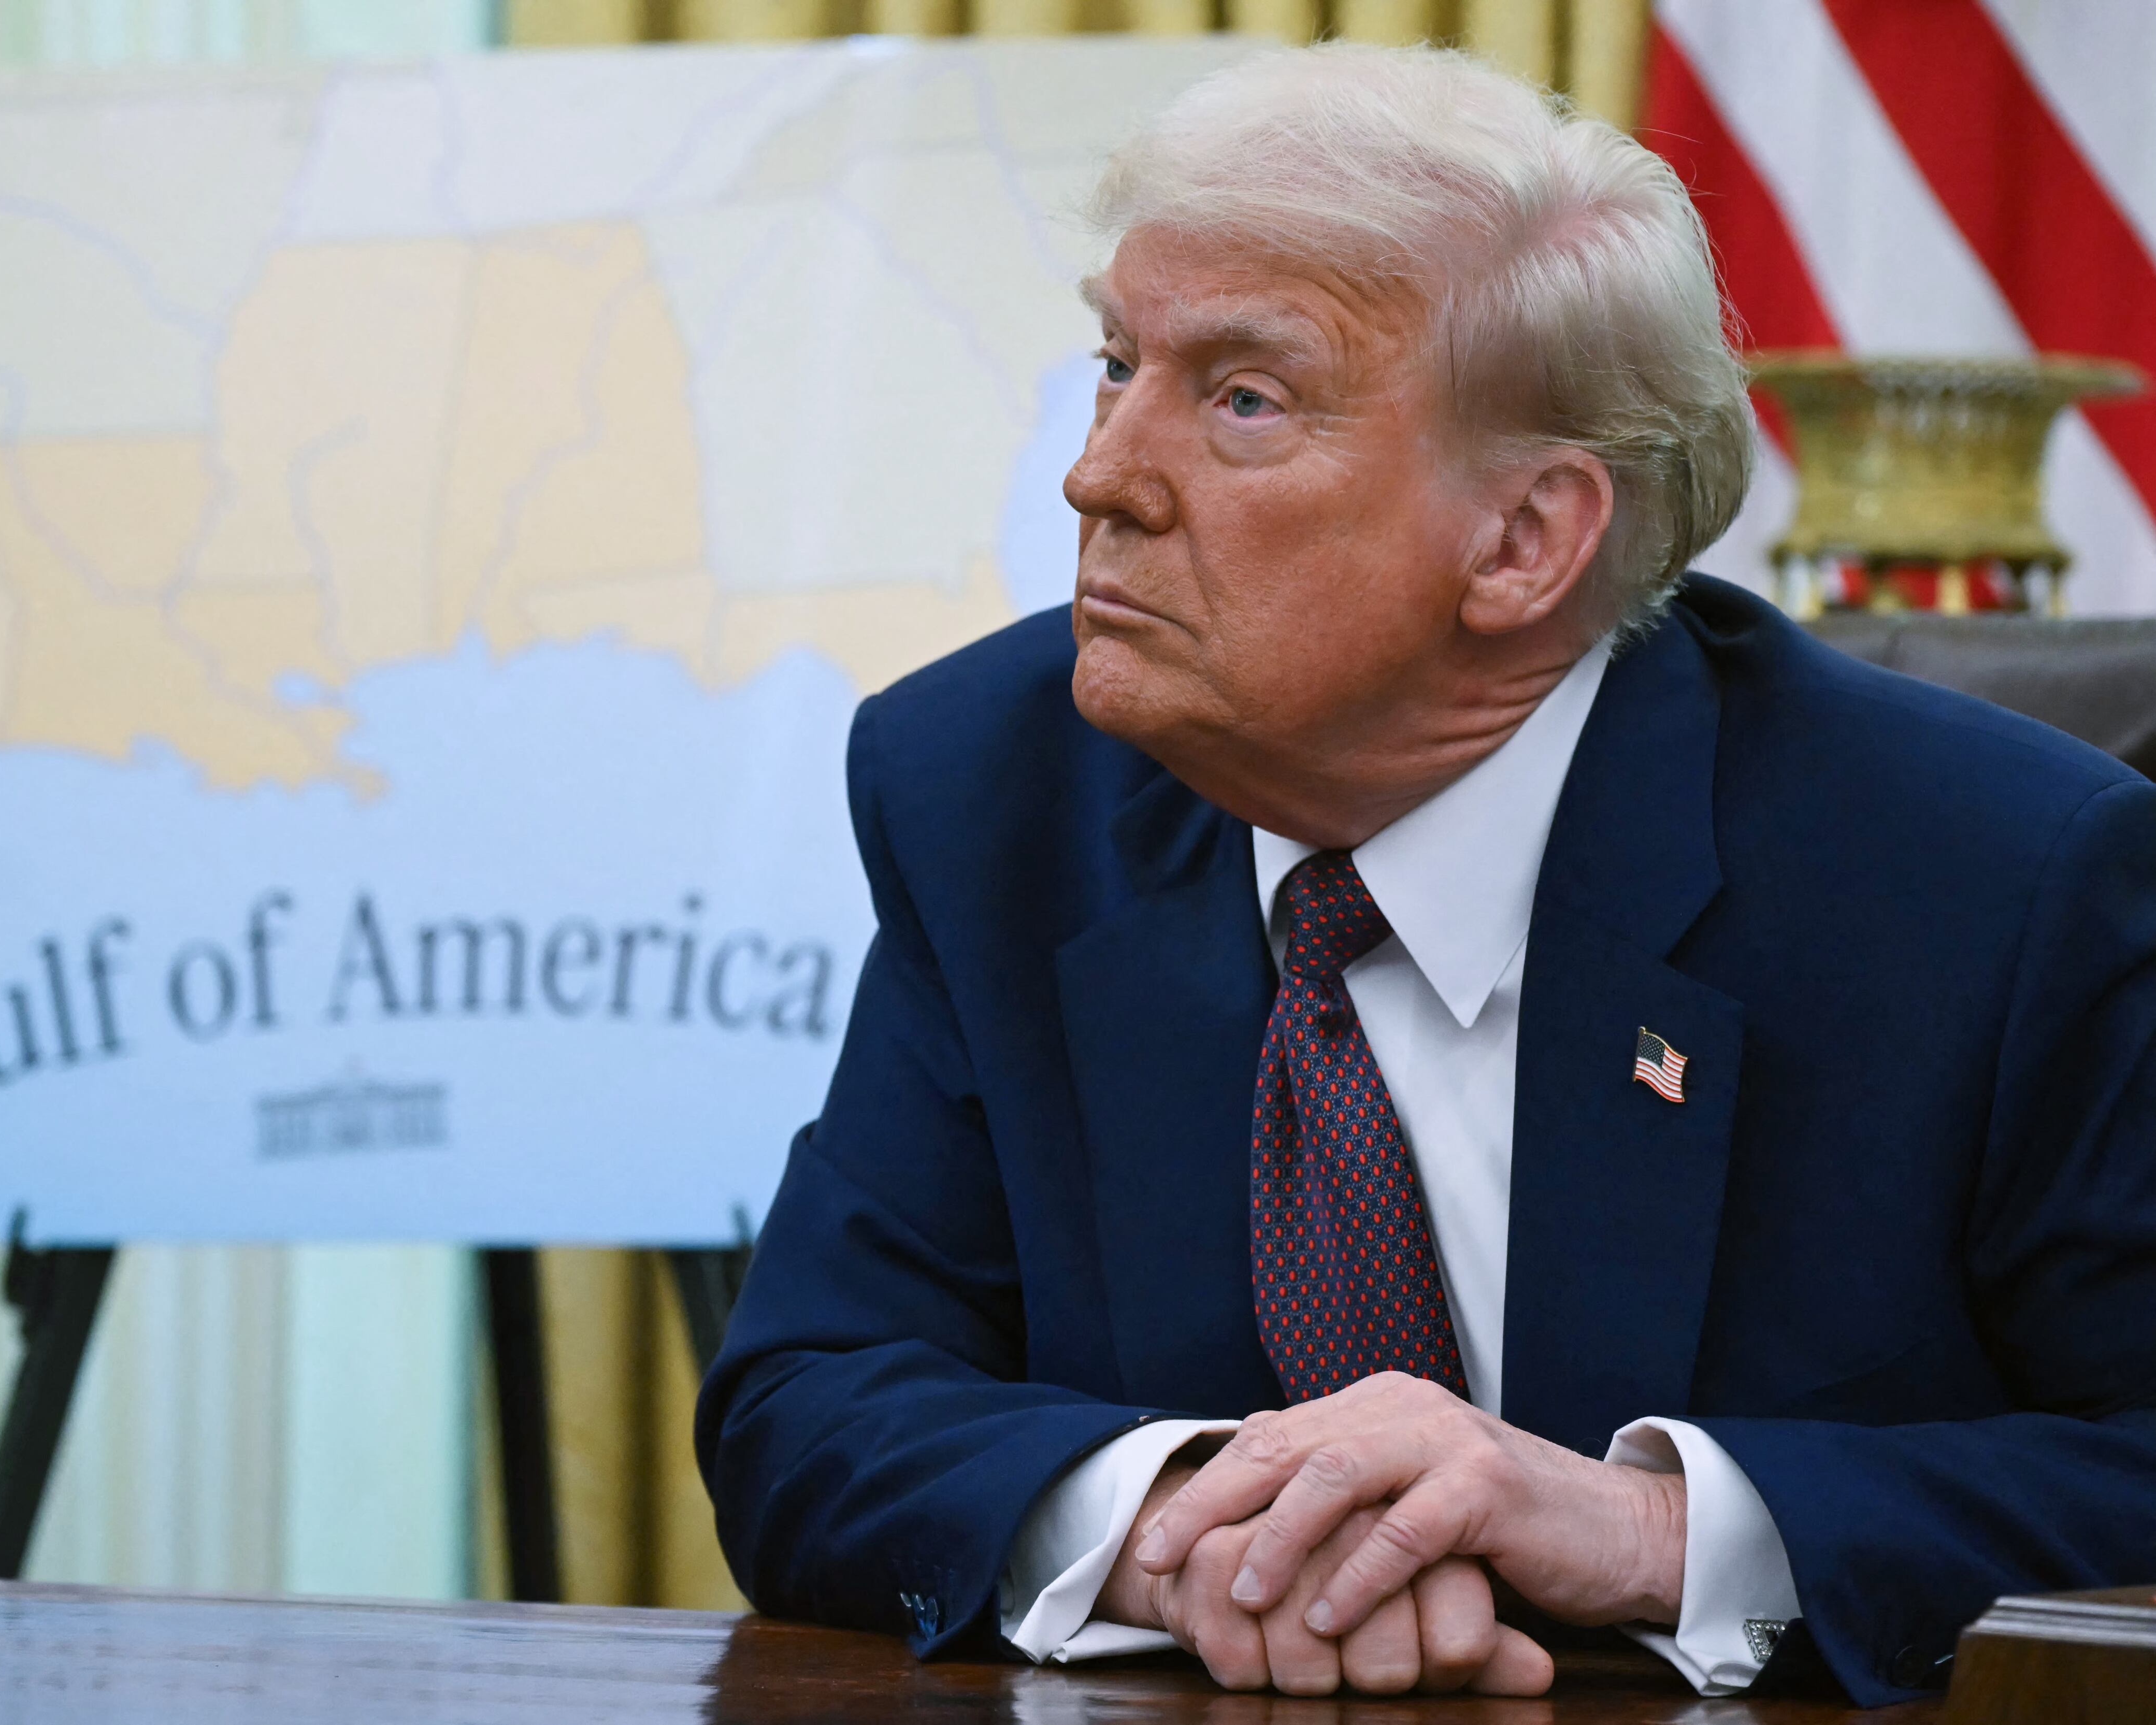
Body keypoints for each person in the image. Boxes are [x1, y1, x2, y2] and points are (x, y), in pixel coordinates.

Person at [693, 42, 2156, 1708]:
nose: (1098, 474)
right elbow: (808, 1397)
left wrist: (1646, 1527)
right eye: (1117, 362)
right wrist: (1181, 1532)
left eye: (1244, 399)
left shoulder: (1992, 882)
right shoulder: (992, 792)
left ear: (1524, 540)